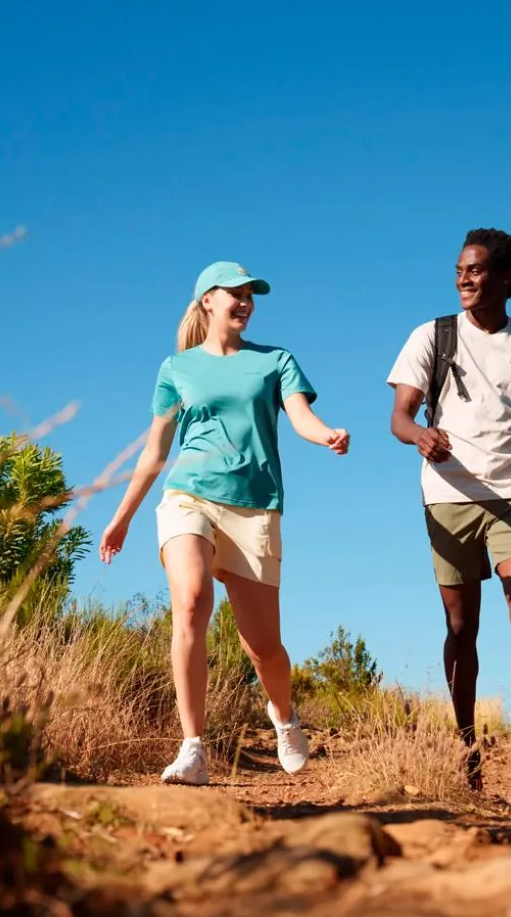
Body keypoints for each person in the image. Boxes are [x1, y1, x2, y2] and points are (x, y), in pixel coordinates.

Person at [99, 260, 350, 785]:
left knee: (262, 646)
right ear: (206, 302)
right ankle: (193, 748)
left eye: (249, 294)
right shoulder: (177, 368)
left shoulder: (275, 361)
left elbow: (299, 414)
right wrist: (122, 518)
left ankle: (283, 716)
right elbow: (153, 453)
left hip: (255, 506)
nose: (243, 301)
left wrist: (325, 434)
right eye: (232, 292)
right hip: (188, 496)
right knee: (191, 601)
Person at [387, 228, 511, 795]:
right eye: (459, 270)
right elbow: (398, 417)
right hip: (449, 498)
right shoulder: (433, 336)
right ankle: (466, 747)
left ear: (504, 279)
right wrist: (421, 436)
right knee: (461, 627)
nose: (463, 280)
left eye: (474, 271)